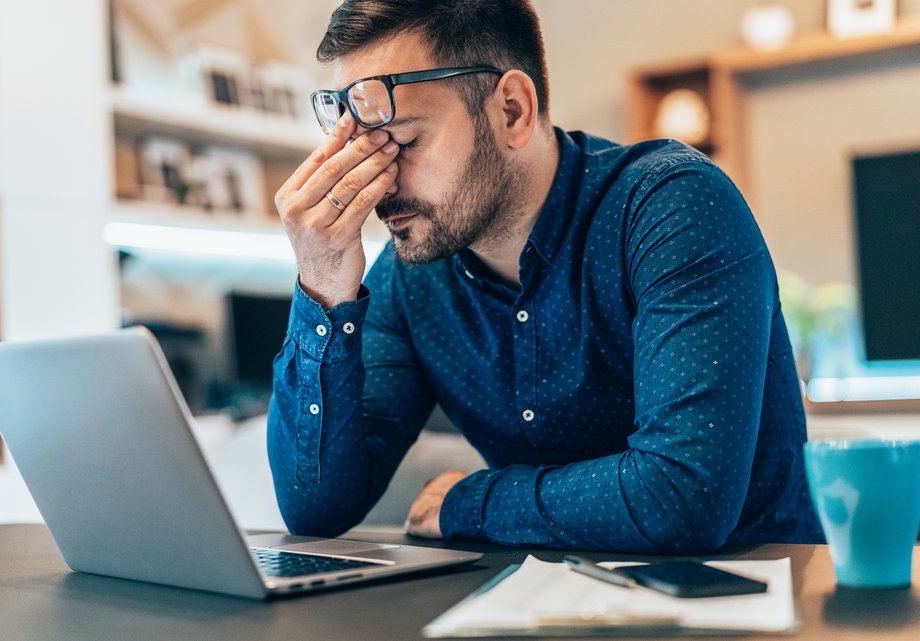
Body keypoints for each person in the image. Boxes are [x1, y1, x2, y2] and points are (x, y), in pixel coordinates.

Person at [269, 0, 824, 552]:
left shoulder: (674, 208)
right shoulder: (412, 278)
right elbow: (316, 510)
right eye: (364, 150)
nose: (381, 185)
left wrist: (475, 500)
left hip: (753, 604)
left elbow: (681, 498)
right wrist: (323, 287)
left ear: (512, 110)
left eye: (406, 142)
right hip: (540, 607)